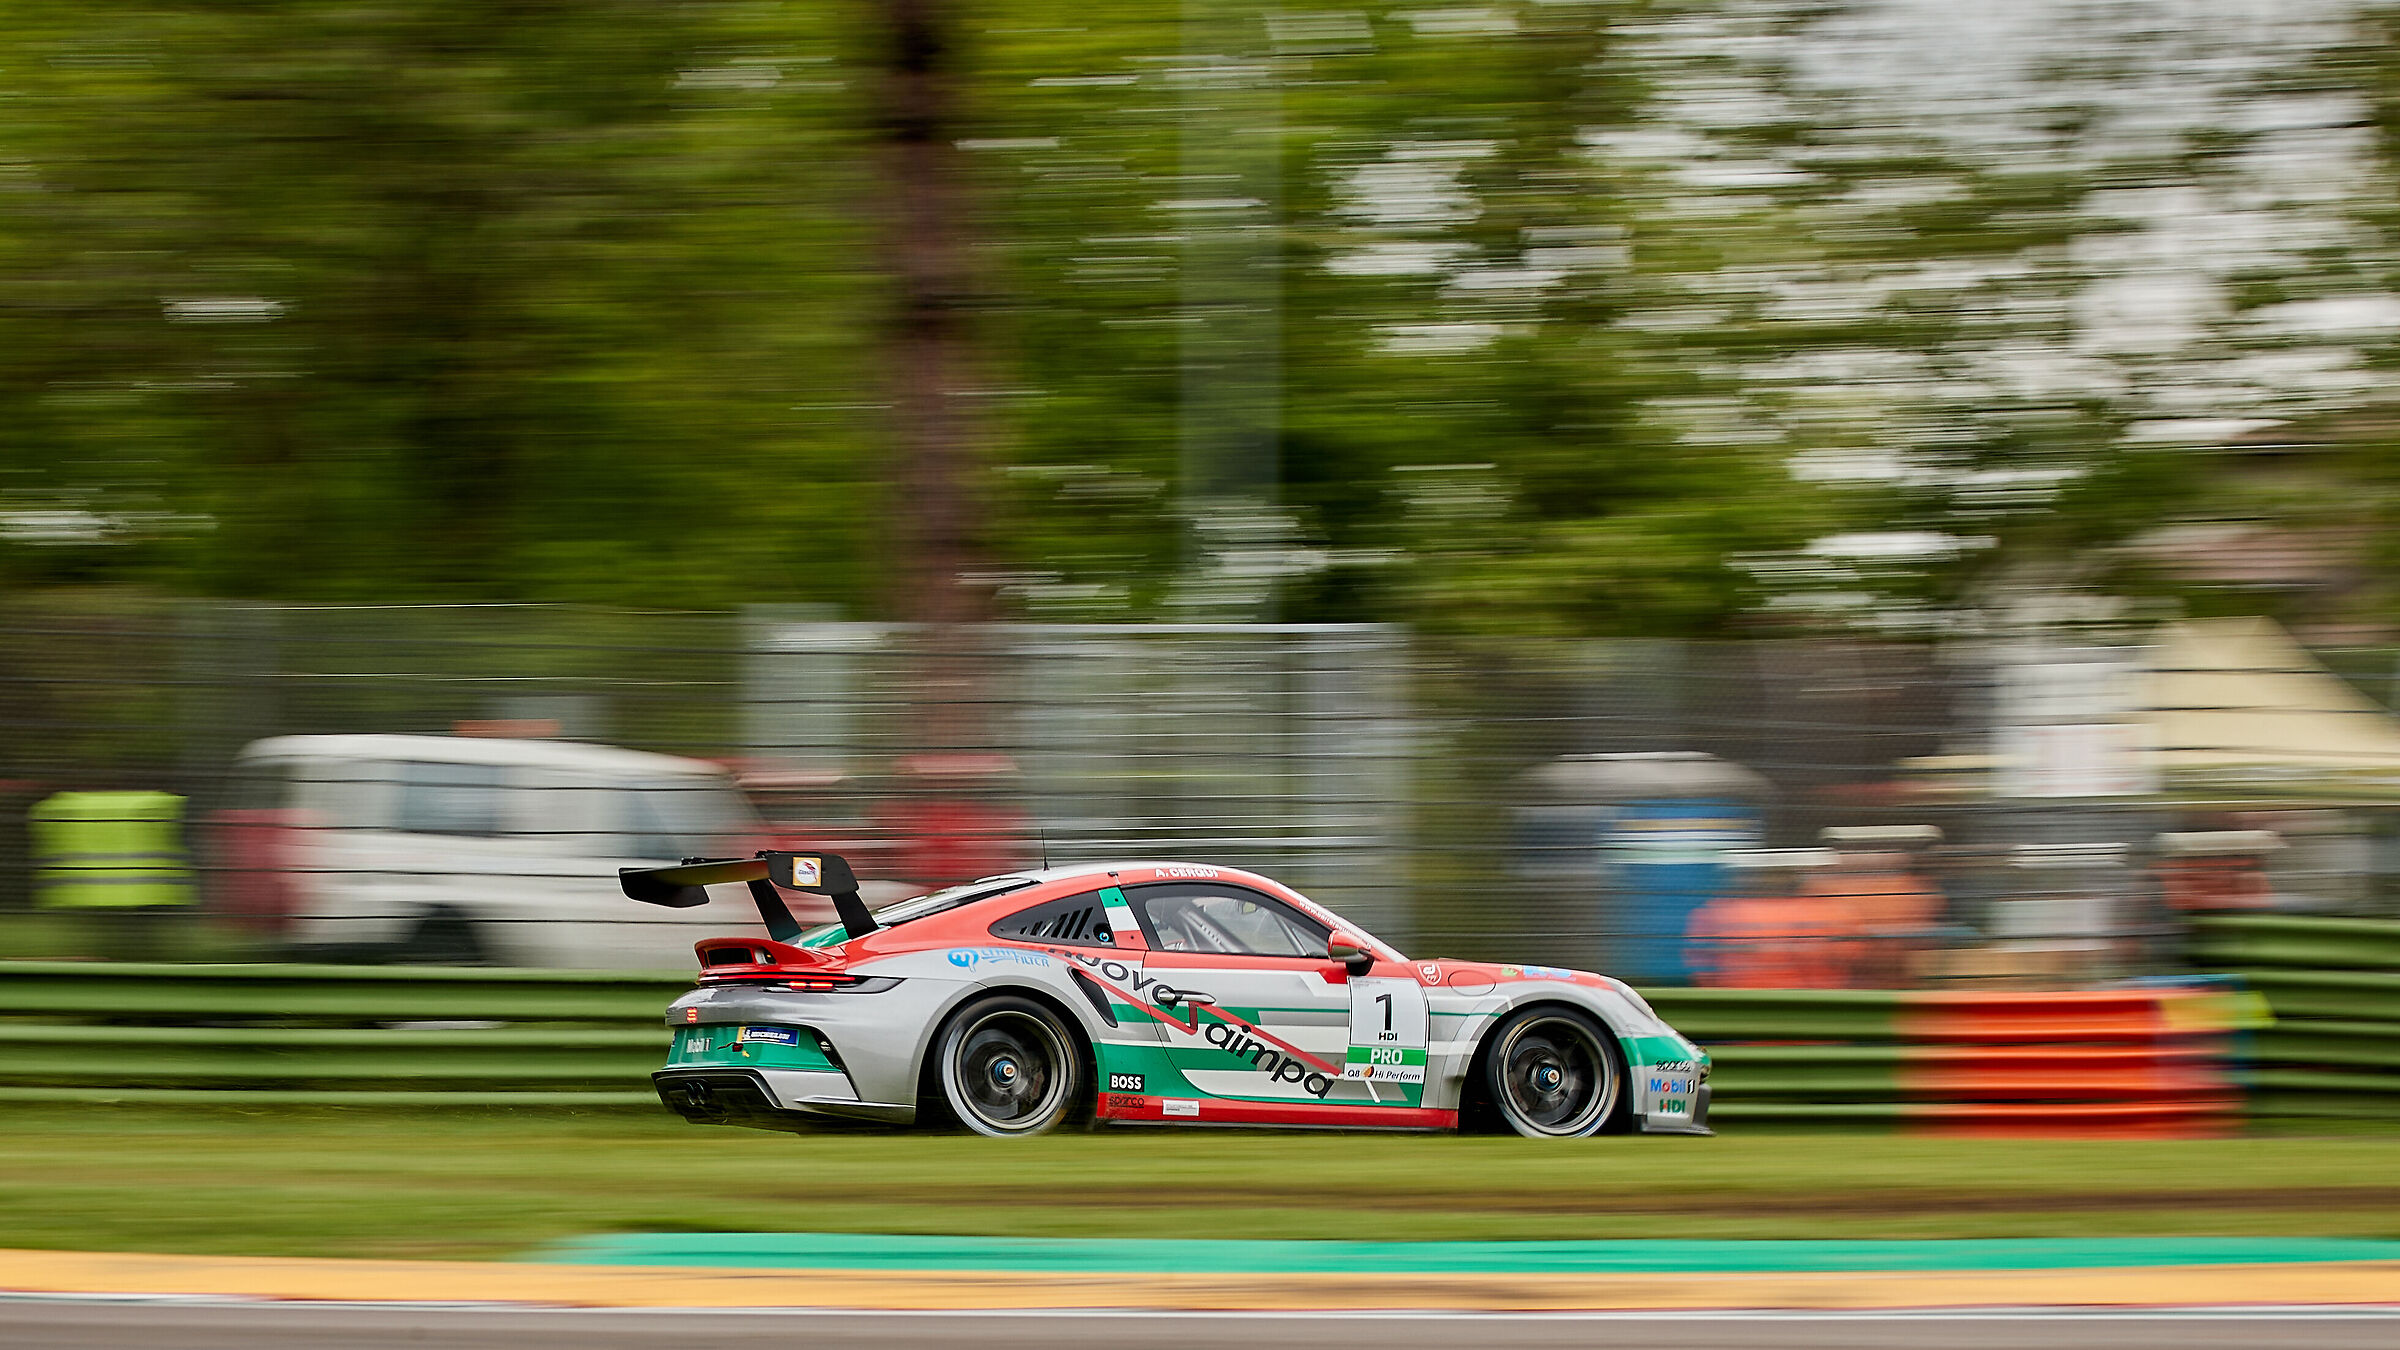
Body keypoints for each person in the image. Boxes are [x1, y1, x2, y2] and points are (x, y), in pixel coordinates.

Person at [28, 789, 194, 961]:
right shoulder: (160, 805)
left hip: (84, 891)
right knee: (143, 946)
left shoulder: (60, 807)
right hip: (146, 891)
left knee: (101, 945)